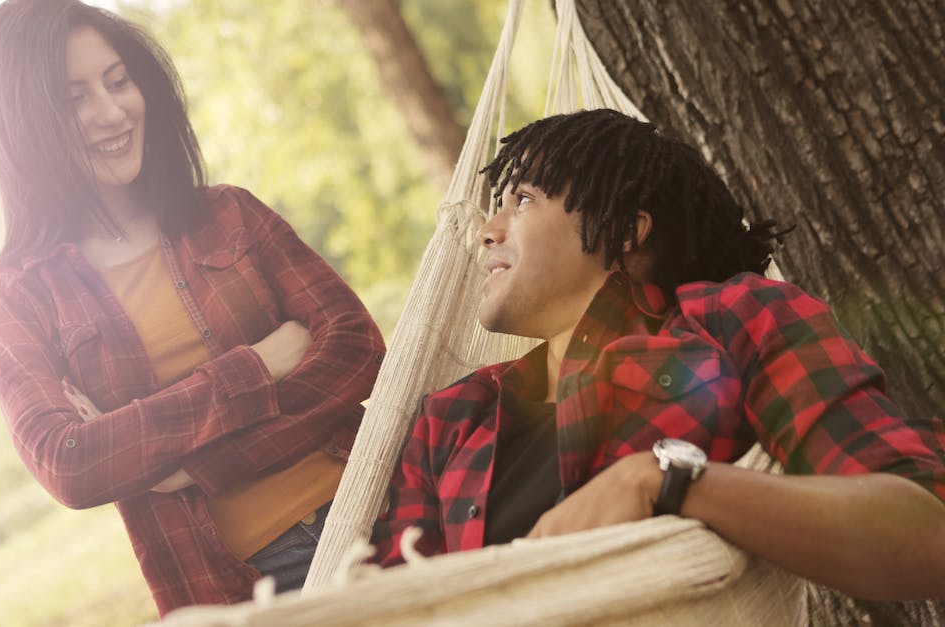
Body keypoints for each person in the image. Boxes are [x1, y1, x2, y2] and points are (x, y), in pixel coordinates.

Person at [370, 109, 945, 600]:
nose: (486, 232)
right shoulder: (450, 417)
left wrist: (664, 480)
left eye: (522, 198)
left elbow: (925, 533)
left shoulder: (733, 321)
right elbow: (394, 607)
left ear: (625, 230)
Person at [0, 0, 384, 615]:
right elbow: (71, 462)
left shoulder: (228, 213)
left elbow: (358, 350)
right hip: (247, 590)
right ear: (23, 123)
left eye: (117, 81)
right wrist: (261, 364)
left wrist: (193, 464)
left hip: (378, 501)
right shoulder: (14, 297)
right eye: (74, 98)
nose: (112, 113)